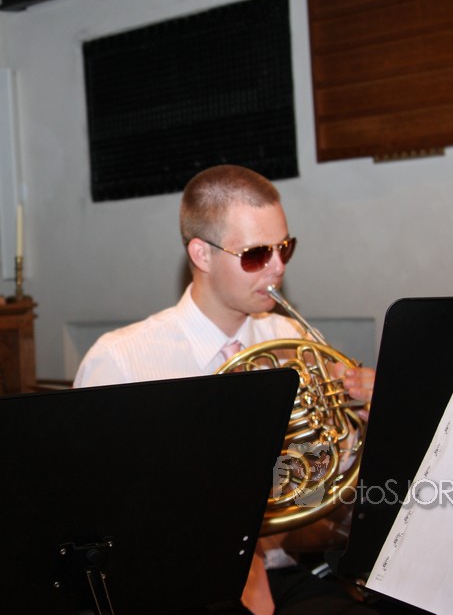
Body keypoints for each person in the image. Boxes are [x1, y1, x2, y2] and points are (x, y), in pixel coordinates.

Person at [74, 165, 376, 615]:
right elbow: (94, 514)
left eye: (285, 248)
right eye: (256, 254)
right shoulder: (122, 359)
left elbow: (324, 490)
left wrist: (368, 424)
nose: (278, 267)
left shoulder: (292, 339)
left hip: (282, 572)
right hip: (176, 585)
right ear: (202, 254)